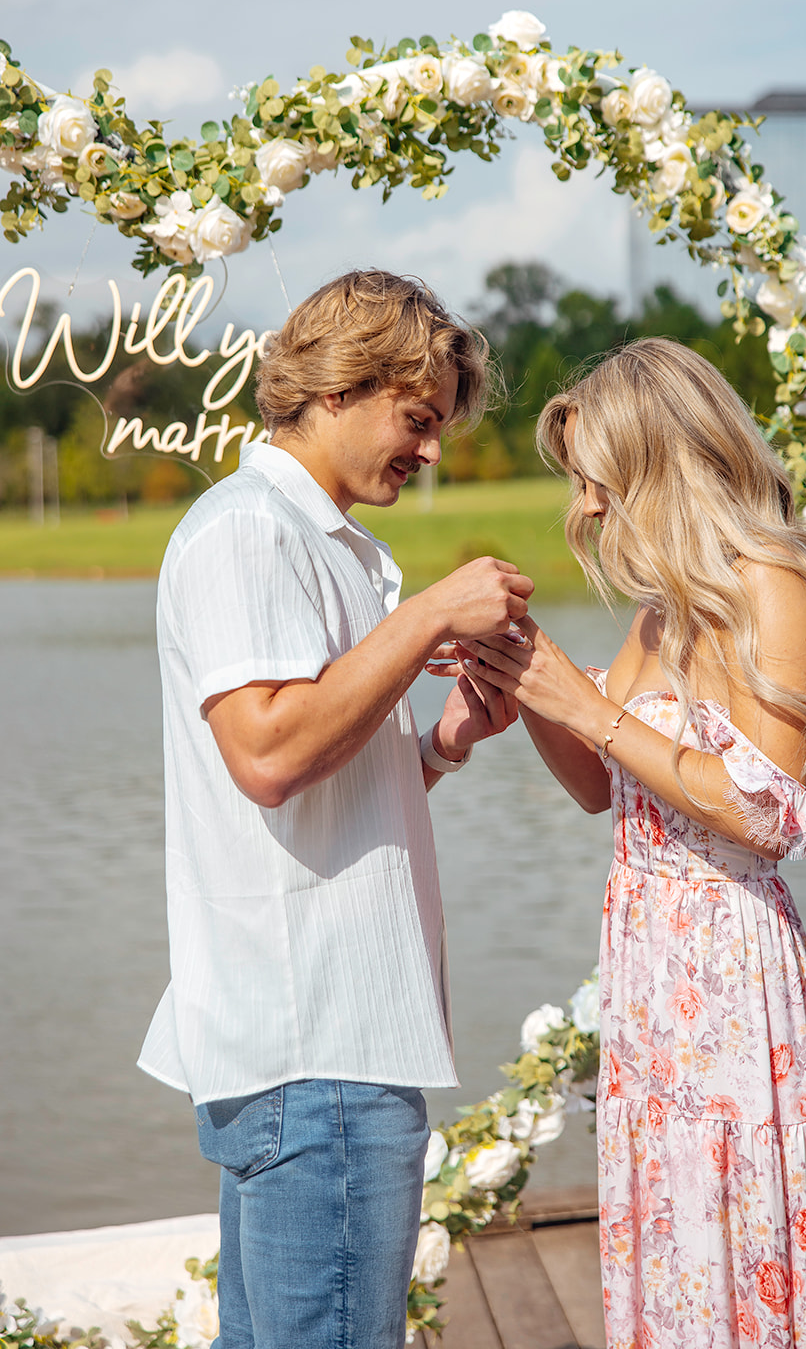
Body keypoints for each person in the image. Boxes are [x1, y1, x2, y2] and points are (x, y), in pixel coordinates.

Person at [456, 339, 806, 1349]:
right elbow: (601, 791)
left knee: (743, 1215)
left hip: (730, 963)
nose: (587, 509)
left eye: (595, 481)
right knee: (674, 1227)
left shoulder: (771, 583)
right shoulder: (659, 614)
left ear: (659, 461)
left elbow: (766, 814)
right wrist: (526, 682)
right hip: (646, 959)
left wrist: (591, 710)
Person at [137, 269, 533, 1349]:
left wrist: (439, 746)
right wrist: (428, 618)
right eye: (417, 419)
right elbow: (267, 753)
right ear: (339, 387)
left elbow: (313, 768)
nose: (433, 449)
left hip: (314, 1042)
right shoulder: (251, 533)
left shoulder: (319, 541)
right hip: (317, 1048)